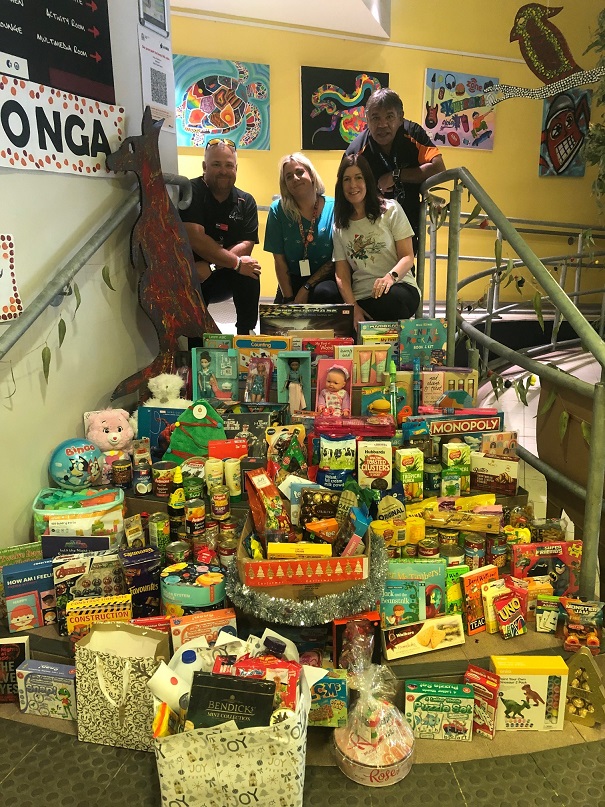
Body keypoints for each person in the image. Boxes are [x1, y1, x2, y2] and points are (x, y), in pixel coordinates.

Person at [345, 88, 445, 252]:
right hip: (369, 230)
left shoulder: (413, 133)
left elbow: (439, 169)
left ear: (400, 117)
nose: (382, 124)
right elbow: (344, 190)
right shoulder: (357, 150)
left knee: (405, 275)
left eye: (389, 117)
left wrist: (396, 175)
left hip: (407, 227)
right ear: (367, 120)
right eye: (375, 118)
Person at [180, 138, 261, 334]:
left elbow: (246, 244)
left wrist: (215, 265)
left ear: (236, 168)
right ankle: (194, 339)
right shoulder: (190, 191)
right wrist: (229, 262)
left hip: (216, 270)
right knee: (194, 279)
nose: (223, 171)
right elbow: (195, 238)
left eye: (228, 165)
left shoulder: (246, 200)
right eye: (216, 165)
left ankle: (246, 336)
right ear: (204, 166)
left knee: (251, 270)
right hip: (192, 274)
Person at [333, 154, 421, 329]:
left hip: (398, 287)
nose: (353, 185)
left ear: (368, 181)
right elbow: (341, 274)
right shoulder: (340, 225)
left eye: (359, 178)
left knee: (393, 301)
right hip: (363, 296)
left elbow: (407, 257)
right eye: (347, 180)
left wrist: (390, 278)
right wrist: (353, 308)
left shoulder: (391, 210)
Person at [264, 153, 342, 304]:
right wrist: (289, 299)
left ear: (312, 175)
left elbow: (336, 258)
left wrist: (306, 287)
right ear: (285, 184)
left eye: (300, 172)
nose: (295, 178)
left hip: (327, 280)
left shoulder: (335, 208)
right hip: (291, 279)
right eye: (289, 177)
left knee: (324, 293)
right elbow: (279, 261)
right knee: (278, 323)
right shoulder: (278, 211)